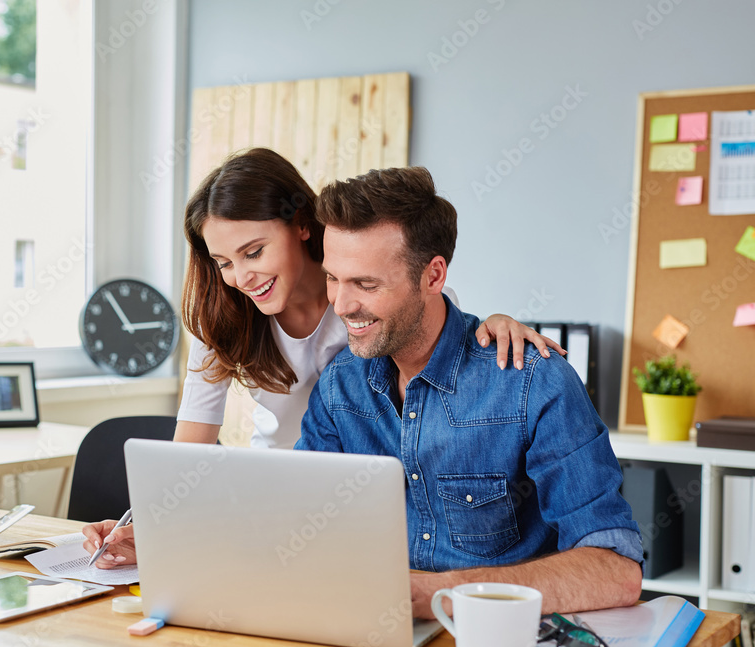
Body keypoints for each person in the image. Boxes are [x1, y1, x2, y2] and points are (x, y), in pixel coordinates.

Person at [296, 165, 642, 618]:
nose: (341, 305)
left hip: (499, 636)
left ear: (434, 276)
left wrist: (440, 595)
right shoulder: (340, 386)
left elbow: (614, 570)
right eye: (332, 278)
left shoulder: (532, 381)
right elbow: (304, 529)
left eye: (366, 284)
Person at [174, 147, 562, 450]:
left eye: (254, 252)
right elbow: (189, 446)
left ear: (301, 226)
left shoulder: (381, 300)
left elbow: (449, 344)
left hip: (372, 477)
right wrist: (146, 526)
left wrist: (495, 322)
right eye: (223, 262)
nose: (241, 278)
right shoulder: (225, 317)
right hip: (282, 475)